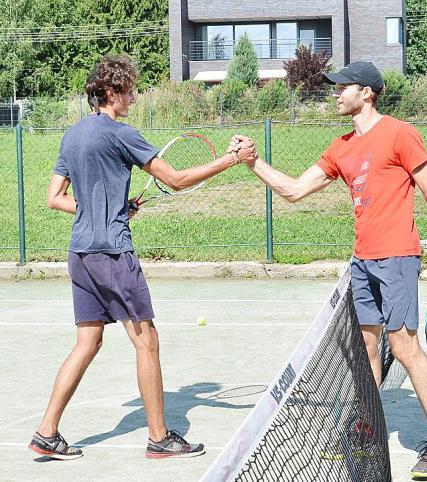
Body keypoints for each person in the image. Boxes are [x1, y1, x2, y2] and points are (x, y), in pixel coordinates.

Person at [229, 61, 427, 479]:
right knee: (366, 349)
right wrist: (254, 162)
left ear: (366, 93)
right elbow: (294, 190)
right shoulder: (341, 147)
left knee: (404, 348)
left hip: (397, 257)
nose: (335, 94)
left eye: (343, 87)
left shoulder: (400, 133)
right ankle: (368, 427)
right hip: (362, 261)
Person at [28, 55, 249, 461]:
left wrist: (109, 207)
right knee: (146, 340)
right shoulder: (121, 134)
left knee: (87, 341)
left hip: (80, 253)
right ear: (112, 92)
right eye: (129, 91)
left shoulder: (72, 136)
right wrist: (232, 159)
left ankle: (46, 432)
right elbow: (177, 180)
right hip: (112, 253)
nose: (133, 97)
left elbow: (55, 198)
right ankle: (159, 438)